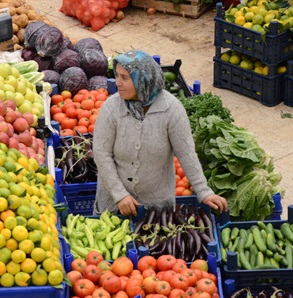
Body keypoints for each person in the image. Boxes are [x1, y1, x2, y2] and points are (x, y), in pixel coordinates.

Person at [93, 50, 227, 216]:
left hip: (156, 207)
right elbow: (101, 153)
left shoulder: (171, 109)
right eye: (117, 75)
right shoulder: (111, 108)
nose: (117, 82)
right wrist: (119, 194)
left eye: (125, 78)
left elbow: (186, 153)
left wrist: (203, 191)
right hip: (114, 202)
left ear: (143, 79)